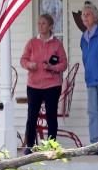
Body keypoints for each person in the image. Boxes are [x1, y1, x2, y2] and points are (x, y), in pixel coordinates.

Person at [20, 13, 68, 153]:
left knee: (51, 116)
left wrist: (52, 67)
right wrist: (30, 64)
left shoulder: (57, 44)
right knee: (32, 116)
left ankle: (51, 147)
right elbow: (23, 60)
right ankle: (29, 146)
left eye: (43, 23)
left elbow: (64, 64)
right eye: (39, 23)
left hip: (52, 86)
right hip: (33, 85)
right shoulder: (32, 43)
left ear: (50, 26)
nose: (40, 26)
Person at [80, 2, 98, 153]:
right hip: (90, 80)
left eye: (88, 14)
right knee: (92, 111)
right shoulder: (83, 38)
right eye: (83, 15)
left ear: (95, 17)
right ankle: (95, 143)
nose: (85, 17)